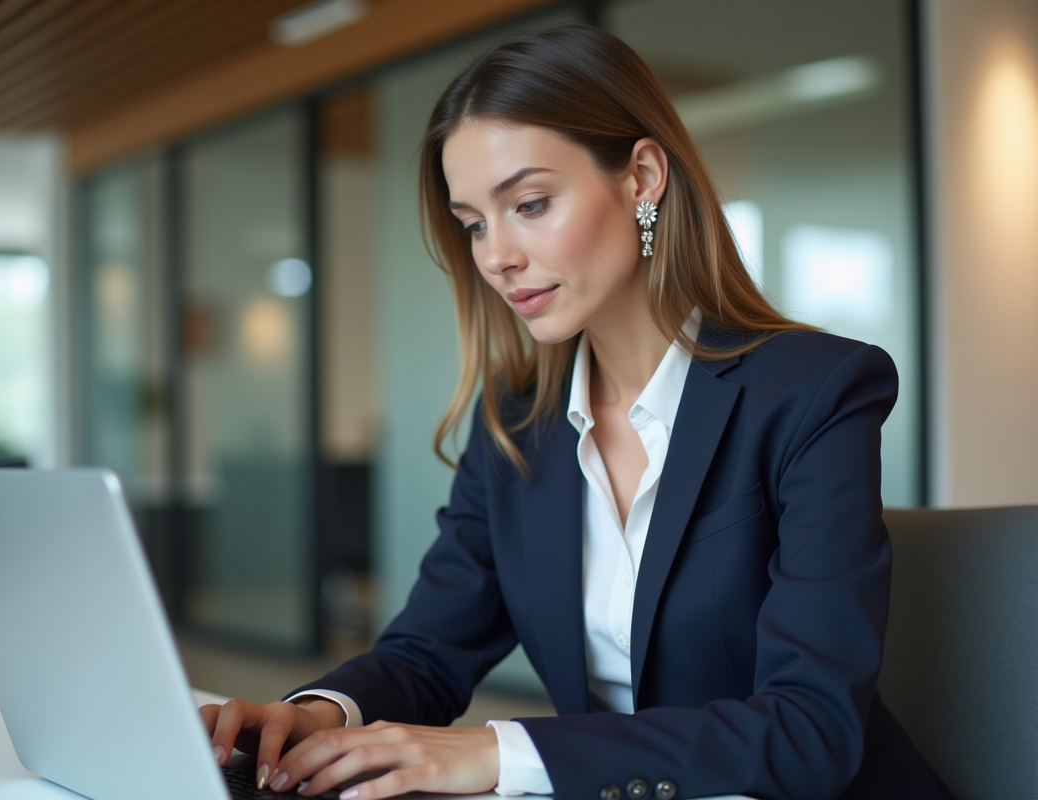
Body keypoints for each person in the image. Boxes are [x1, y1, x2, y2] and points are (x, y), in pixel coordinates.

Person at [200, 23, 951, 800]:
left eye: (528, 203)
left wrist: (503, 753)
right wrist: (319, 713)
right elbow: (428, 650)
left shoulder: (813, 392)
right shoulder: (517, 424)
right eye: (474, 224)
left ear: (643, 177)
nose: (496, 255)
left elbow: (810, 731)